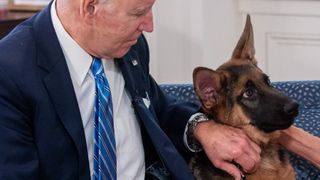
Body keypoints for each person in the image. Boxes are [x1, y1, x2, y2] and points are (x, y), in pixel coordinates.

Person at [0, 0, 314, 180]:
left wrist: (203, 128)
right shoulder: (11, 72)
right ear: (90, 6)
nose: (148, 25)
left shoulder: (130, 47)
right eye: (138, 12)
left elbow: (159, 108)